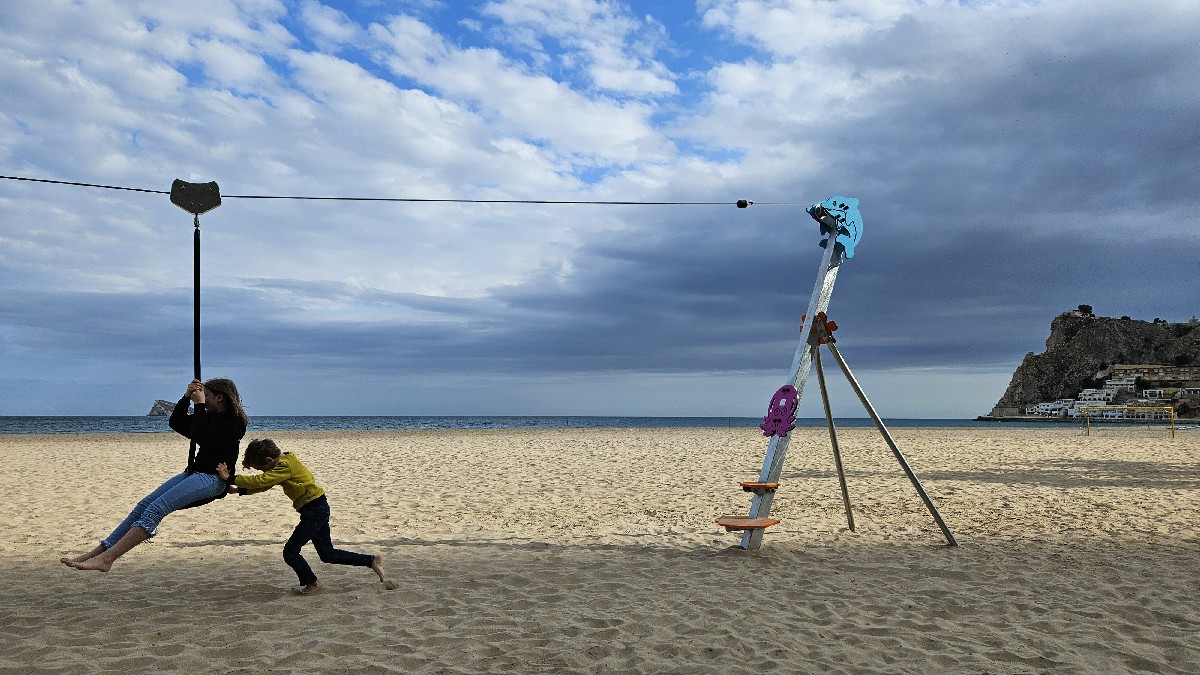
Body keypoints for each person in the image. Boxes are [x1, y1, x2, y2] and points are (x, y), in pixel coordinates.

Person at [61, 378, 248, 572]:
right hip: (195, 473)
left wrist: (199, 405)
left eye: (207, 395)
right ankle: (97, 553)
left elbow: (203, 434)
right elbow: (176, 422)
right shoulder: (208, 417)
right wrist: (185, 398)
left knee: (156, 509)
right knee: (143, 506)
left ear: (220, 397)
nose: (203, 399)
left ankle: (108, 559)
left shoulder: (234, 422)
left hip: (213, 479)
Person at [217, 438, 389, 594]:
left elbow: (262, 481)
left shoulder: (285, 466)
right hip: (316, 508)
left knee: (290, 552)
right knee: (327, 554)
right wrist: (239, 490)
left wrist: (230, 478)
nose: (262, 472)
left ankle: (312, 582)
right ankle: (372, 561)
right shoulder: (284, 462)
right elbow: (265, 484)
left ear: (269, 460)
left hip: (315, 510)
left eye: (261, 469)